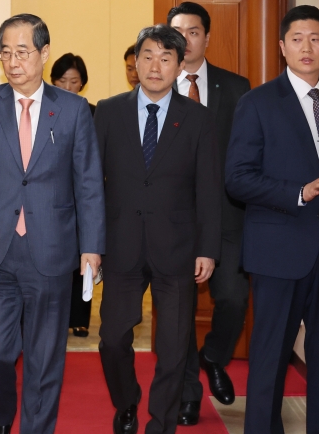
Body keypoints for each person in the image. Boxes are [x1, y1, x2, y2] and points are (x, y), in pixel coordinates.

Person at [0, 13, 105, 434]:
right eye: (5, 52)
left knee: (44, 358)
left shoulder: (72, 110)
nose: (13, 61)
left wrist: (91, 247)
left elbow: (88, 184)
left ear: (44, 52)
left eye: (22, 51)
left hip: (51, 250)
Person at [226, 5, 319, 434]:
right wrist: (297, 194)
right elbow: (238, 179)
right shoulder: (258, 103)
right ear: (282, 47)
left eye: (316, 38)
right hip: (279, 251)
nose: (307, 47)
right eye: (297, 39)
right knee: (269, 362)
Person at [95, 24, 221, 434]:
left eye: (166, 58)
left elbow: (208, 189)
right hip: (121, 246)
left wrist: (208, 248)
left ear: (180, 64)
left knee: (172, 349)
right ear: (134, 62)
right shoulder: (108, 111)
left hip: (178, 248)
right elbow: (91, 183)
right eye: (147, 56)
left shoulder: (199, 119)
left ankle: (160, 424)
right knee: (112, 339)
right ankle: (127, 400)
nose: (155, 66)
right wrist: (91, 245)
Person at [167, 1, 251, 425]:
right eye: (177, 32)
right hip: (174, 220)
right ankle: (187, 395)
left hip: (226, 215)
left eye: (194, 31)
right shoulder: (156, 86)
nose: (186, 39)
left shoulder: (237, 88)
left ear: (207, 36)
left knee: (234, 297)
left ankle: (214, 355)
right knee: (178, 310)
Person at [50, 52, 94, 338]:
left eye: (74, 81)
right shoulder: (42, 110)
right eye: (62, 81)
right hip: (51, 197)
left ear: (83, 84)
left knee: (82, 258)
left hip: (80, 198)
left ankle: (79, 317)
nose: (68, 87)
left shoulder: (91, 111)